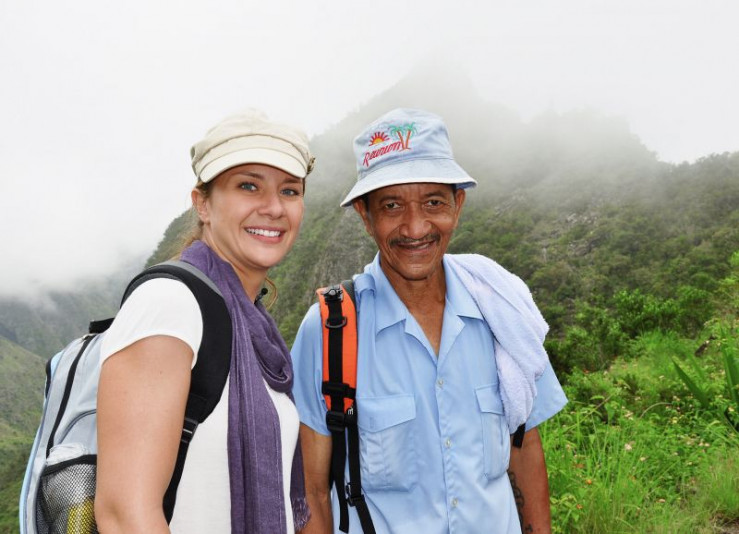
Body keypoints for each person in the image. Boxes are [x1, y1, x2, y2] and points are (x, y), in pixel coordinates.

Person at [291, 108, 568, 534]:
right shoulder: (330, 331)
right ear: (365, 216)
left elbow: (524, 447)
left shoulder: (501, 311)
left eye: (434, 202)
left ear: (458, 205)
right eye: (392, 206)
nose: (416, 227)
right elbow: (310, 491)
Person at [94, 109, 315, 534]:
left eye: (289, 190)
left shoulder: (254, 325)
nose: (273, 208)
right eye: (248, 186)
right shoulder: (169, 304)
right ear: (203, 203)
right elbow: (124, 516)